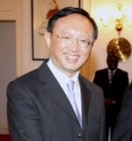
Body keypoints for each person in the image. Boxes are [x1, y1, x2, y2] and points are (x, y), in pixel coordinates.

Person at [7, 7, 105, 141]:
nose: (74, 48)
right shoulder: (23, 90)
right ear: (48, 38)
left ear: (92, 45)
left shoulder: (96, 93)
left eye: (83, 40)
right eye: (66, 37)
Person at [93, 53, 129, 140]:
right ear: (107, 61)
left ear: (117, 62)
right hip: (102, 111)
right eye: (111, 61)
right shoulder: (99, 74)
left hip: (116, 112)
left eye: (115, 61)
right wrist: (104, 100)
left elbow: (125, 93)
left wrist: (113, 101)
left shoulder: (123, 75)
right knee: (102, 136)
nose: (112, 63)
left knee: (116, 136)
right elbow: (94, 91)